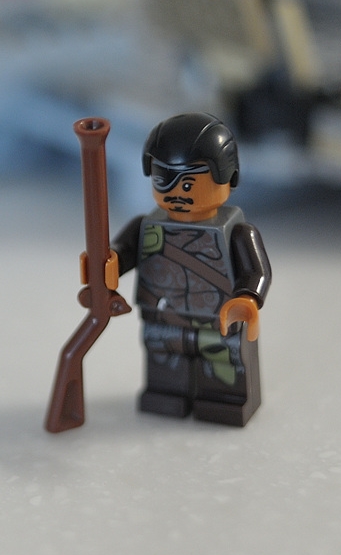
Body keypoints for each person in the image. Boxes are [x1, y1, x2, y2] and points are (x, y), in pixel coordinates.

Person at [107, 112, 271, 426]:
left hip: (219, 320)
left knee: (224, 358)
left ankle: (223, 400)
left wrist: (248, 298)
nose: (177, 195)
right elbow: (122, 253)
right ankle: (167, 394)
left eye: (188, 183)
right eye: (163, 180)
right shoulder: (145, 226)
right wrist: (107, 263)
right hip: (162, 316)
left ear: (228, 177)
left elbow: (257, 271)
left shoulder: (238, 233)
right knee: (164, 357)